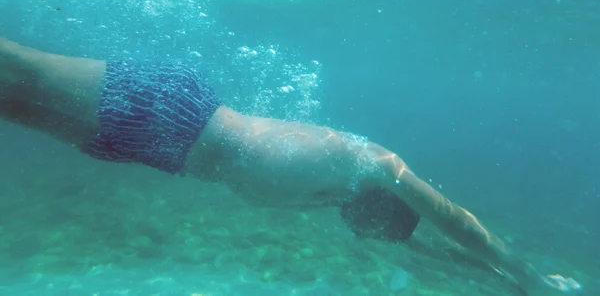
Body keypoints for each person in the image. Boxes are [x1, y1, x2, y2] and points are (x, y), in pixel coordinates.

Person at [0, 37, 581, 295]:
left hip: (162, 150)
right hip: (177, 110)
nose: (368, 238)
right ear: (383, 208)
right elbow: (452, 221)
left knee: (12, 103)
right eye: (378, 230)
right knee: (21, 68)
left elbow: (429, 249)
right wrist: (525, 272)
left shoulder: (337, 200)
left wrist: (511, 288)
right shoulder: (375, 165)